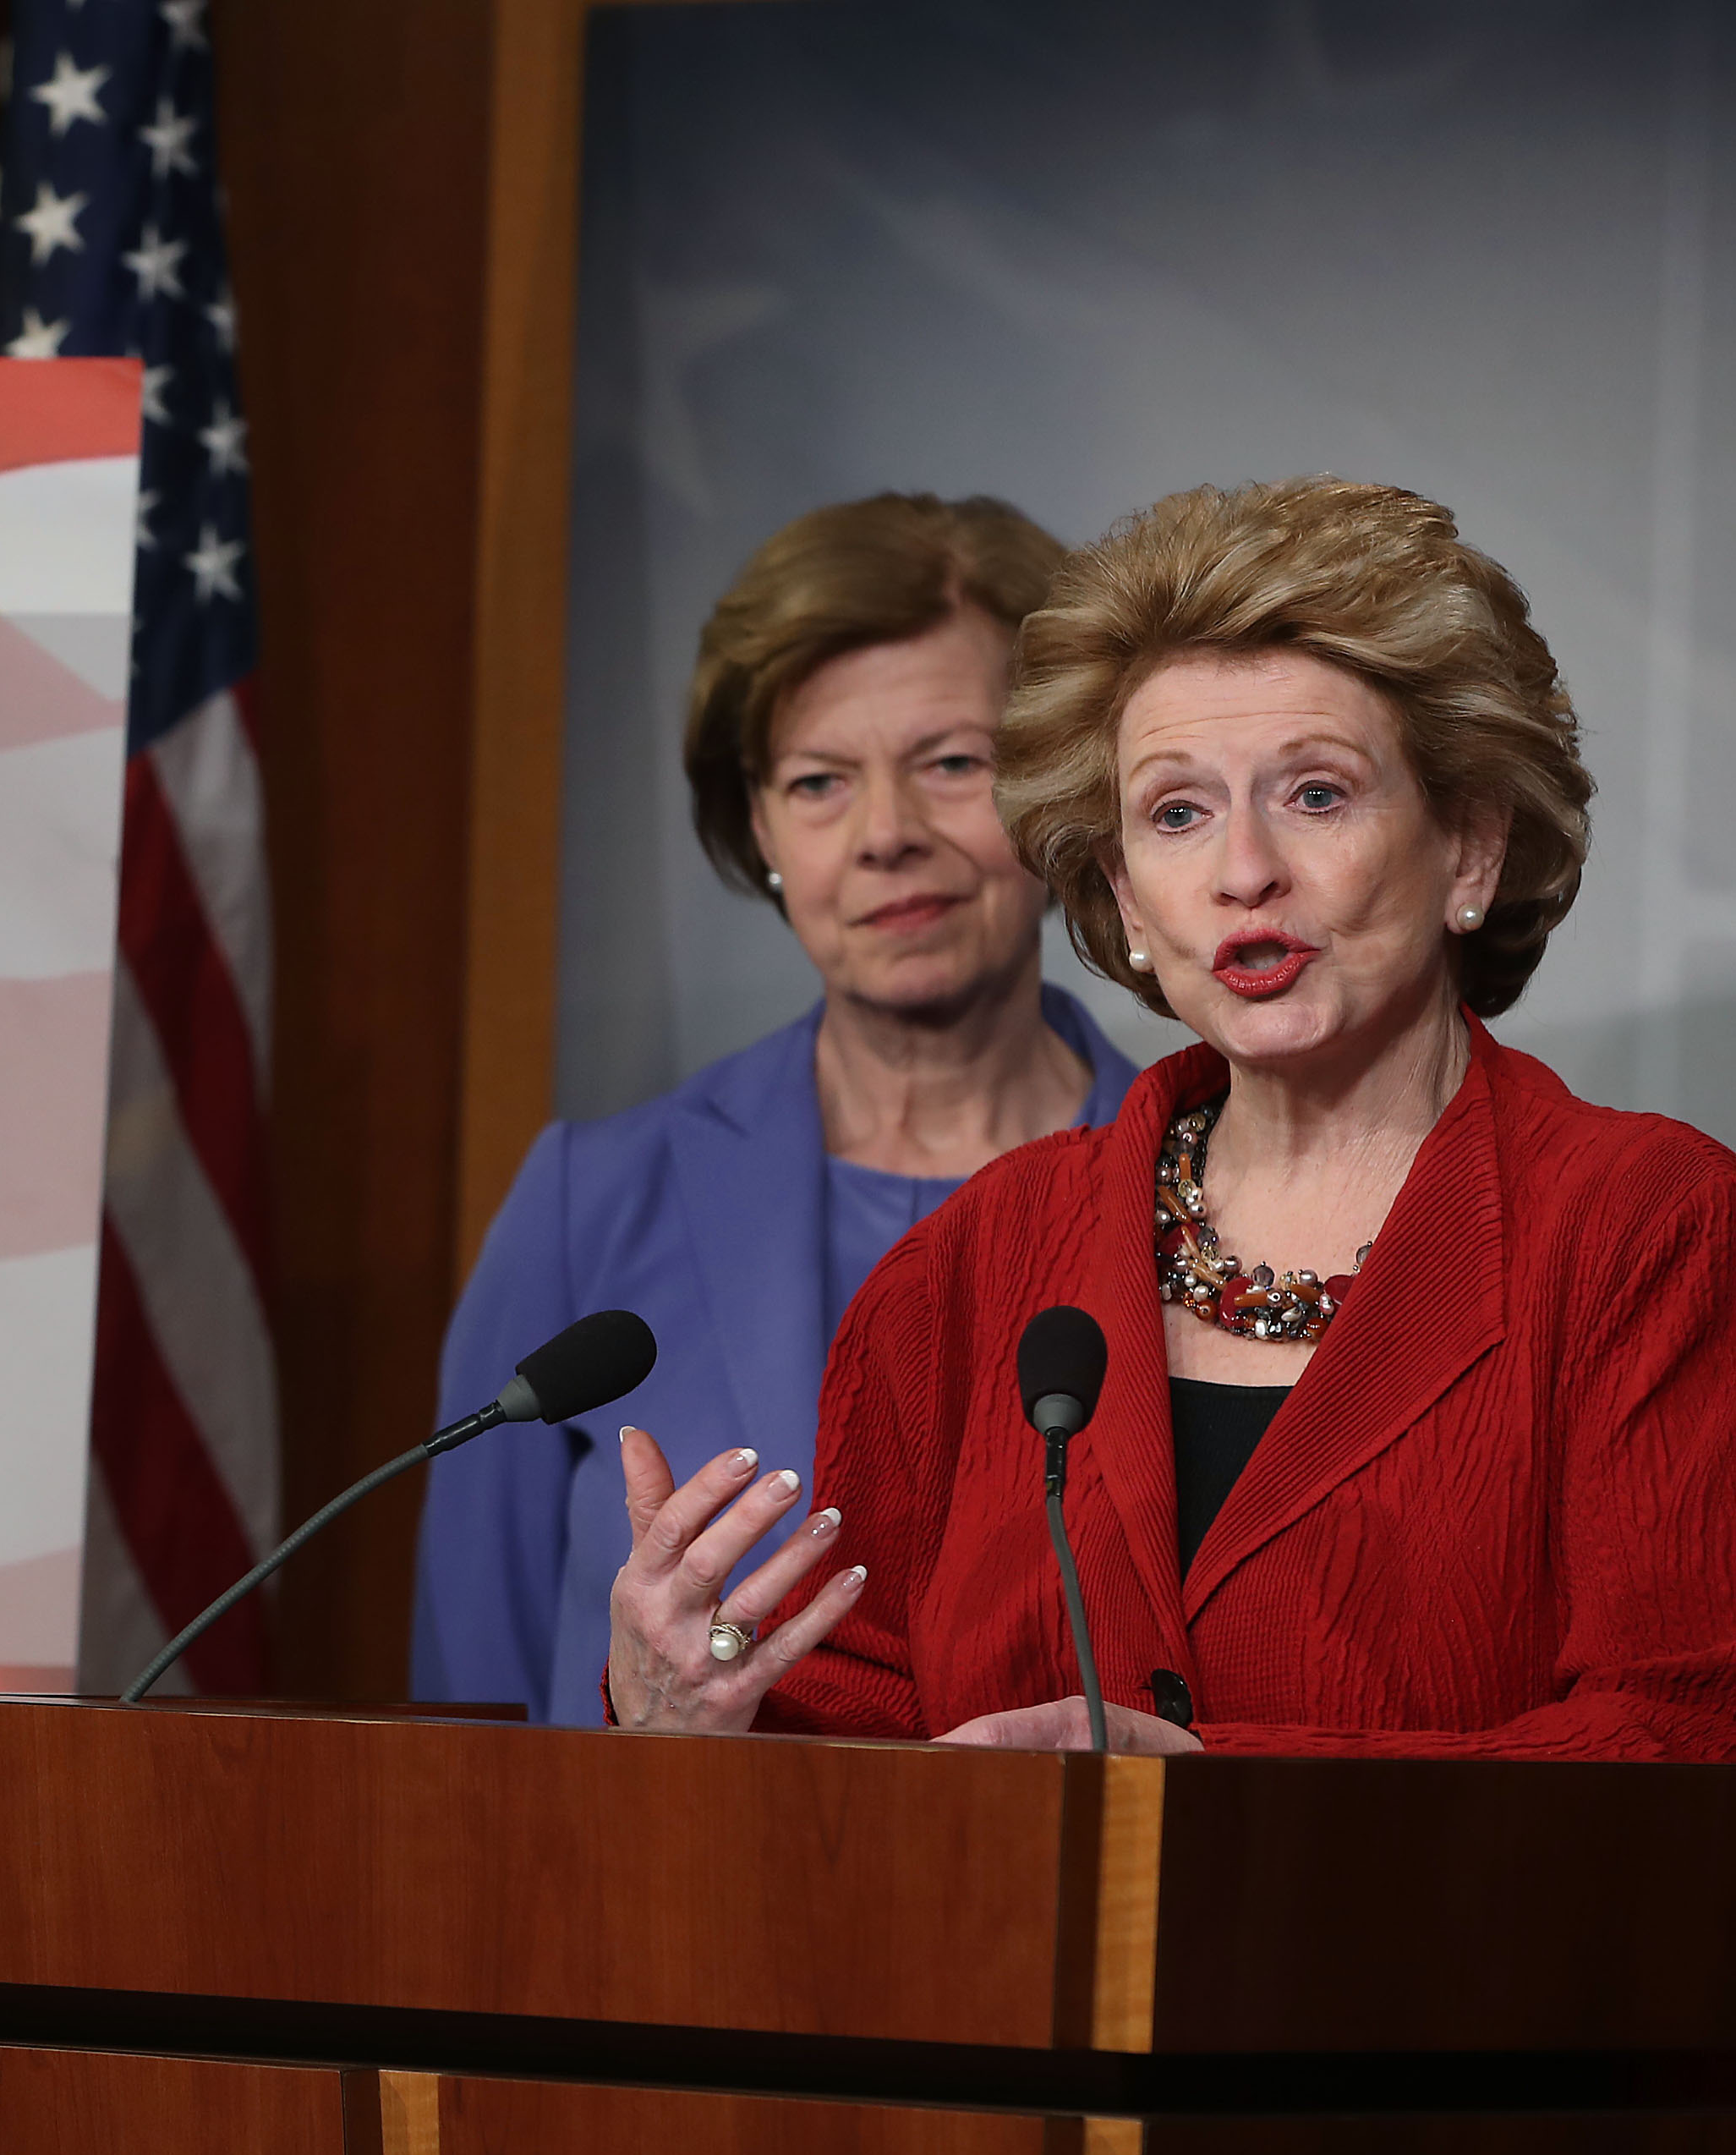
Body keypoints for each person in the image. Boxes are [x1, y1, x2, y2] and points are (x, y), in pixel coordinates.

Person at [606, 477, 1736, 1759]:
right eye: (1176, 813)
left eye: (1315, 794)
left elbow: (1686, 1741)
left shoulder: (1651, 1234)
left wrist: (1201, 1791)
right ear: (1129, 903)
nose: (1240, 868)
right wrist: (695, 1711)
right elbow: (865, 1735)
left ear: (1468, 850)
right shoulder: (970, 1267)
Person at [419, 494, 1137, 1723]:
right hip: (656, 1901)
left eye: (952, 763)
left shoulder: (1214, 1190)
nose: (884, 837)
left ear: (1058, 788)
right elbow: (462, 1710)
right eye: (817, 783)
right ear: (757, 827)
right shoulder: (587, 1201)